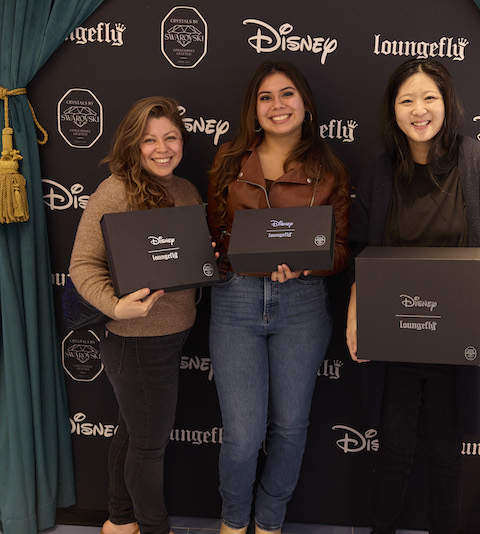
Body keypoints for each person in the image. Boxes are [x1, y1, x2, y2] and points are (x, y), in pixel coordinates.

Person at [345, 59, 480, 534]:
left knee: (446, 454)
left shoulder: (478, 163)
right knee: (393, 449)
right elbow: (362, 251)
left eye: (430, 98)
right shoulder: (380, 174)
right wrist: (355, 317)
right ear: (393, 110)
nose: (419, 110)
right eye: (407, 100)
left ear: (447, 104)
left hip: (456, 340)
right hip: (395, 337)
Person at [207, 60, 351, 534]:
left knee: (290, 427)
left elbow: (342, 248)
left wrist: (311, 263)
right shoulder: (228, 159)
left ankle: (269, 523)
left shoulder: (329, 169)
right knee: (244, 434)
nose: (277, 105)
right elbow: (213, 234)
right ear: (254, 109)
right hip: (236, 300)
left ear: (305, 105)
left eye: (287, 94)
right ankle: (232, 523)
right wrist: (210, 251)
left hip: (303, 303)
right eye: (265, 97)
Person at [69, 96, 202, 534]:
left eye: (171, 137)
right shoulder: (114, 191)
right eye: (150, 140)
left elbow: (190, 260)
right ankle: (153, 526)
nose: (162, 148)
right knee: (149, 445)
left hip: (173, 335)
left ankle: (120, 521)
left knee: (133, 431)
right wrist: (115, 305)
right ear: (133, 144)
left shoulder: (185, 190)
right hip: (133, 341)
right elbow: (83, 265)